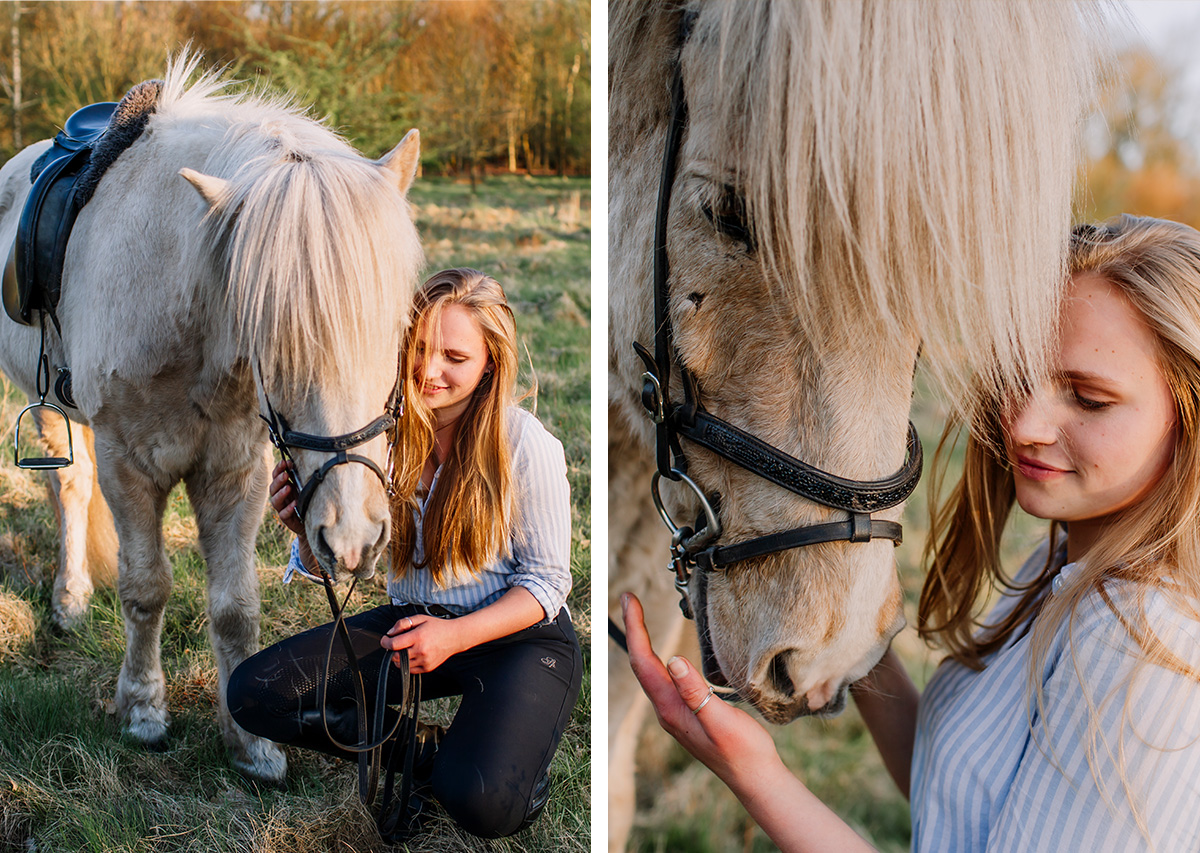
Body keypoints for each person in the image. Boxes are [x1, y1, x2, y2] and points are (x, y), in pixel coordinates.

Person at [623, 215, 1200, 851]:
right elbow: (956, 801)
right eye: (1020, 371)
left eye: (1088, 399)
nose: (1024, 423)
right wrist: (852, 630)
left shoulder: (1149, 651)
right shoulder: (1073, 557)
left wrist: (754, 774)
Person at [228, 268, 582, 840]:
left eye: (455, 357)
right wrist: (302, 530)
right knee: (254, 694)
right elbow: (341, 567)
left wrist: (454, 638)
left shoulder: (523, 443)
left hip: (518, 637)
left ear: (489, 362)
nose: (429, 369)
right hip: (412, 627)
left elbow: (546, 584)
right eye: (418, 348)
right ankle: (424, 756)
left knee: (481, 805)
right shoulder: (381, 443)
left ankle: (491, 772)